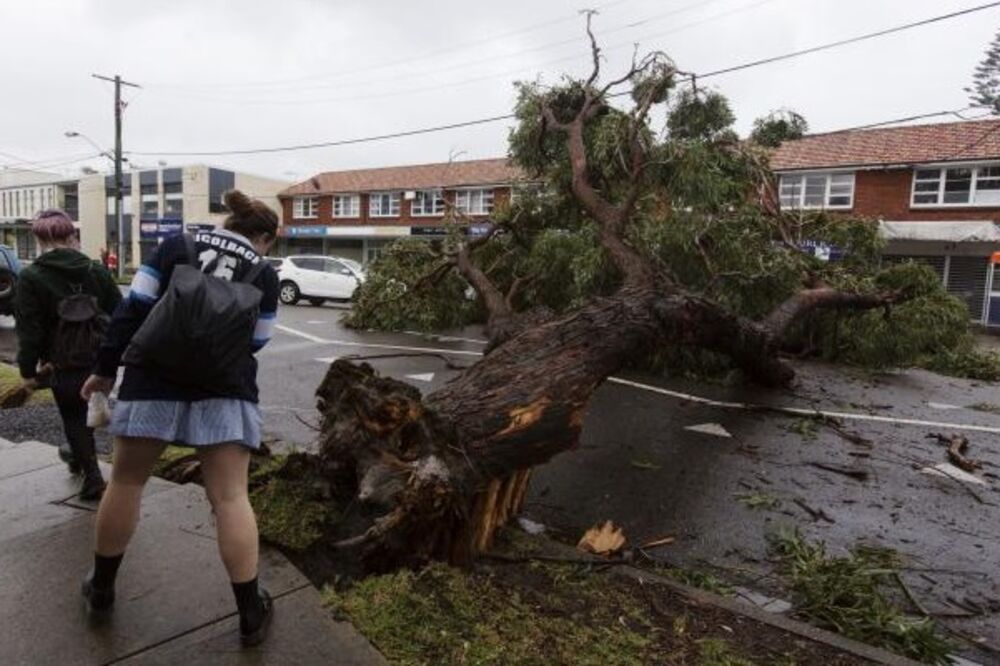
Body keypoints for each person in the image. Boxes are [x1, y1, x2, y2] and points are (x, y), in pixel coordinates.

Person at [80, 190, 280, 647]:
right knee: (230, 498)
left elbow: (132, 308)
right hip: (226, 392)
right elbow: (258, 341)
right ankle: (250, 611)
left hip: (153, 381)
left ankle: (102, 589)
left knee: (126, 483)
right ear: (264, 237)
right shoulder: (264, 273)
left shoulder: (177, 245)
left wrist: (105, 370)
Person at [14, 209, 122, 499]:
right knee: (88, 406)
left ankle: (93, 476)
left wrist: (27, 371)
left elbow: (29, 331)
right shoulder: (96, 270)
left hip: (61, 362)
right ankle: (76, 455)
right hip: (101, 359)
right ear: (72, 236)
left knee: (74, 415)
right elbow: (121, 312)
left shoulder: (31, 277)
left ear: (39, 239)